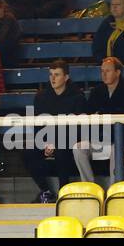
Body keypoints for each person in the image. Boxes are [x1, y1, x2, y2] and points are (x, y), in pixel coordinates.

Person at [23, 60, 86, 203]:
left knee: (62, 151)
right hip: (46, 140)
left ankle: (64, 193)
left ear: (66, 77)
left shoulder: (78, 97)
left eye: (57, 75)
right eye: (51, 74)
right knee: (27, 151)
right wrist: (45, 143)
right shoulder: (41, 97)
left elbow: (77, 128)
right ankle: (46, 191)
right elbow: (38, 124)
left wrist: (56, 143)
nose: (53, 78)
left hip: (69, 141)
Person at [77, 57, 124, 184]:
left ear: (118, 72)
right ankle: (89, 186)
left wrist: (101, 113)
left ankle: (113, 189)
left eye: (108, 71)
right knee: (78, 148)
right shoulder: (97, 91)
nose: (104, 74)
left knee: (116, 149)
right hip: (99, 139)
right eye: (102, 71)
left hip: (121, 140)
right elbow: (90, 113)